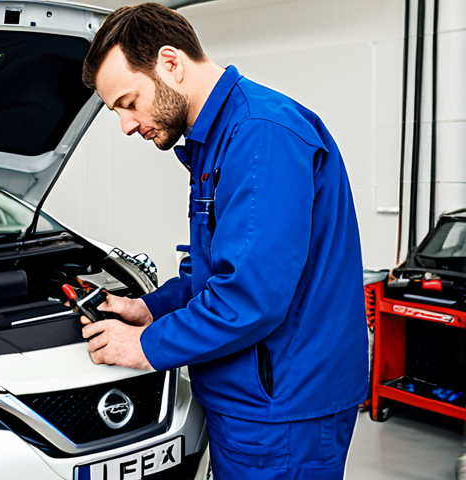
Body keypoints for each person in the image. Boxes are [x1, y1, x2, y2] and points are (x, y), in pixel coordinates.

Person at [78, 3, 369, 479]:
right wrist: (151, 308)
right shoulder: (218, 138)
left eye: (128, 103)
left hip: (282, 408)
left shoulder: (260, 135)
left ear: (170, 63)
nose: (127, 125)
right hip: (254, 395)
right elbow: (215, 267)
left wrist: (144, 345)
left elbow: (249, 298)